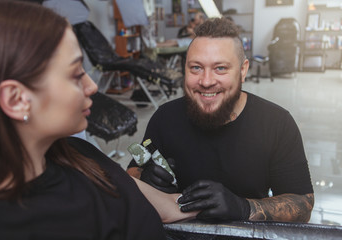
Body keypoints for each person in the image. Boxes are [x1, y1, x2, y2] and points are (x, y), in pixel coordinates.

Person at [0, 1, 197, 239]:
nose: (92, 86)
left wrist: (242, 206)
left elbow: (170, 208)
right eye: (76, 74)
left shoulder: (79, 154)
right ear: (16, 99)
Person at [127, 17, 314, 223]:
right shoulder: (164, 117)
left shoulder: (277, 123)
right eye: (196, 68)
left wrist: (244, 208)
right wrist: (144, 178)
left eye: (220, 68)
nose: (206, 81)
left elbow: (303, 205)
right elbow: (131, 172)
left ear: (243, 70)